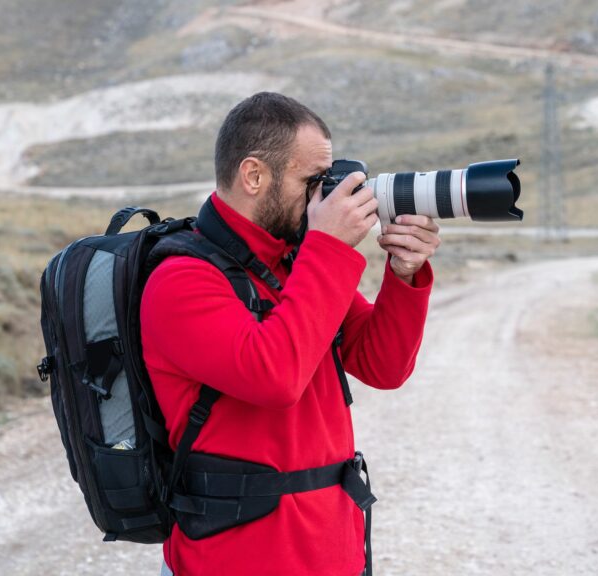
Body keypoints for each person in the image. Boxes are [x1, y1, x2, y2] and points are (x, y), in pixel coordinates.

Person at [141, 92, 439, 576]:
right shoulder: (181, 280)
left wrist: (404, 275)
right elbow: (274, 376)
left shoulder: (291, 265)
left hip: (335, 550)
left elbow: (382, 366)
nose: (325, 195)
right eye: (312, 181)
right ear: (254, 176)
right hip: (233, 562)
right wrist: (326, 248)